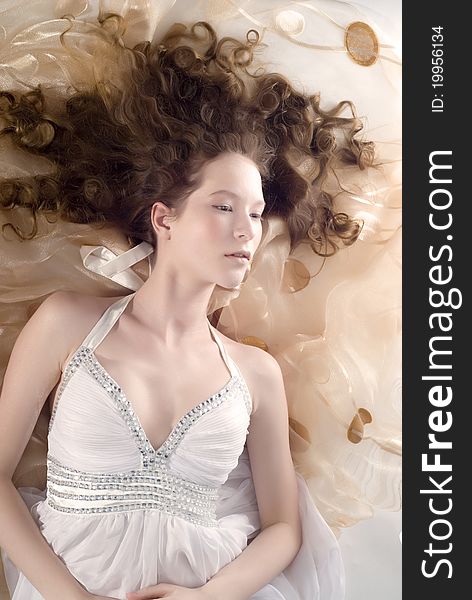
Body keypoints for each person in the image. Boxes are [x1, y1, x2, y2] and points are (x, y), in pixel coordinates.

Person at [0, 2, 402, 599]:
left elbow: (283, 528)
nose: (248, 232)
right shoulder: (67, 324)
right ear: (164, 217)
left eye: (259, 214)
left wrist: (203, 599)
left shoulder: (255, 374)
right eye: (224, 207)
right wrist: (71, 598)